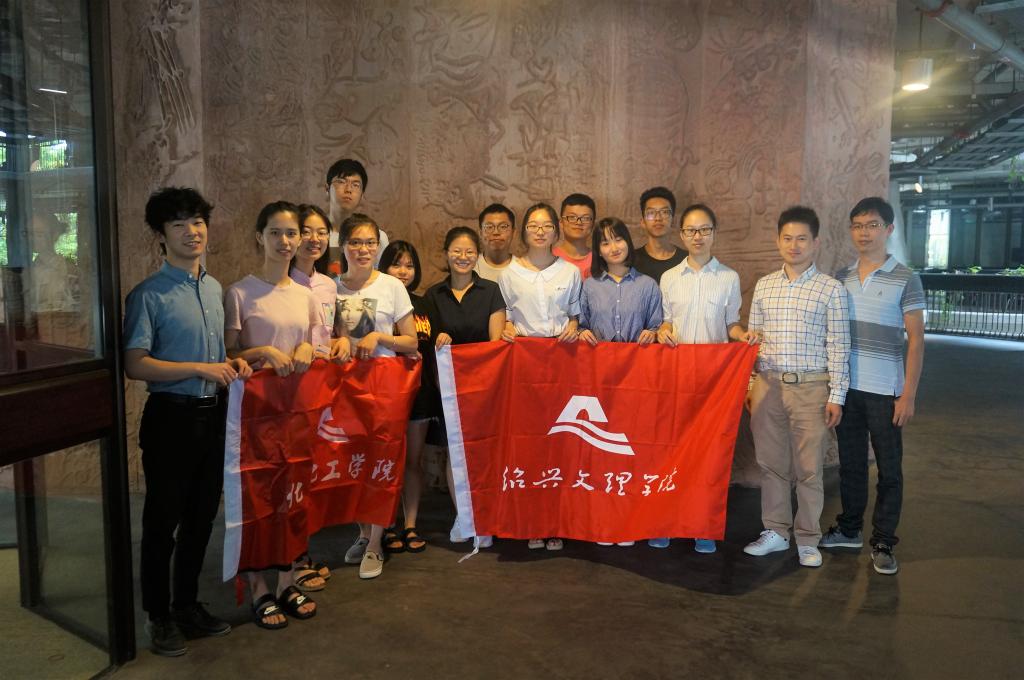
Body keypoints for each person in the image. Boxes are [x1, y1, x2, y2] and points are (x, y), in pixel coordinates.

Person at [124, 187, 252, 655]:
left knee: (201, 519)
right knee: (163, 523)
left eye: (197, 221)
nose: (191, 231)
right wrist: (200, 369)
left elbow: (216, 357)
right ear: (161, 236)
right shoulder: (148, 295)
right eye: (178, 224)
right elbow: (135, 364)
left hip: (212, 417)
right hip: (171, 419)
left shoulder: (214, 288)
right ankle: (158, 616)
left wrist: (230, 365)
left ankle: (187, 605)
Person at [224, 201, 322, 628]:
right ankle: (259, 588)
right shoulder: (240, 292)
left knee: (292, 494)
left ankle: (286, 580)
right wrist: (263, 351)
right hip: (253, 417)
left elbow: (316, 344)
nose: (285, 241)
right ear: (259, 237)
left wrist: (307, 348)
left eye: (292, 233)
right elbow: (228, 352)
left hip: (295, 412)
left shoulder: (306, 295)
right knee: (257, 497)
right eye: (276, 233)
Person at [819, 197, 925, 576]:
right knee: (850, 465)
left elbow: (916, 340)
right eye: (858, 225)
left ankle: (882, 542)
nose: (865, 232)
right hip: (847, 389)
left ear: (889, 229)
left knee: (889, 470)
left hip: (886, 392)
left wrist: (908, 394)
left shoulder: (906, 278)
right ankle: (849, 530)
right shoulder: (840, 277)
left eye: (873, 225)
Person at [743, 206, 850, 569]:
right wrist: (750, 385)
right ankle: (775, 531)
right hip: (768, 385)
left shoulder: (831, 289)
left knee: (809, 468)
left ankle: (807, 538)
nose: (794, 245)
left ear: (815, 243)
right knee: (771, 464)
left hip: (812, 387)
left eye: (802, 238)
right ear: (778, 241)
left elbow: (839, 346)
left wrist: (837, 395)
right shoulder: (765, 285)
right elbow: (753, 341)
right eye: (787, 238)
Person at [654, 203, 758, 553]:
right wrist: (664, 331)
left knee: (710, 455)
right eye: (691, 230)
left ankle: (702, 526)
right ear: (682, 235)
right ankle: (667, 522)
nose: (697, 236)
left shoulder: (728, 277)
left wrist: (743, 336)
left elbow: (731, 324)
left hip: (715, 382)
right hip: (677, 378)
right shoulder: (669, 278)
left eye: (704, 230)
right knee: (672, 451)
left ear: (714, 233)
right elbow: (666, 322)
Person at [334, 213, 419, 579]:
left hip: (385, 387)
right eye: (355, 242)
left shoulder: (391, 286)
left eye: (370, 242)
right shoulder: (331, 287)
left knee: (382, 459)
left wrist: (379, 337)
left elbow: (411, 341)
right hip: (345, 387)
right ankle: (363, 532)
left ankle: (375, 544)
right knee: (352, 461)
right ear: (343, 246)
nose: (363, 249)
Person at [499, 202, 582, 552]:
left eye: (546, 225)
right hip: (525, 363)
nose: (540, 231)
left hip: (562, 362)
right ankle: (533, 521)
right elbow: (505, 316)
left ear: (556, 231)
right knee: (530, 444)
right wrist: (506, 327)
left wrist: (574, 325)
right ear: (524, 231)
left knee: (561, 443)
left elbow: (576, 314)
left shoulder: (570, 272)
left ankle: (556, 522)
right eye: (533, 225)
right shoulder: (509, 273)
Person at [577, 217, 661, 548]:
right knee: (600, 451)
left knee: (630, 450)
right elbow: (581, 323)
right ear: (598, 250)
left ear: (628, 241)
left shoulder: (648, 285)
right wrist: (582, 331)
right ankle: (603, 520)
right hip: (599, 380)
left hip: (636, 379)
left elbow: (658, 324)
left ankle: (628, 522)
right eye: (605, 242)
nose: (613, 247)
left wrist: (652, 333)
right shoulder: (589, 285)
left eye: (618, 239)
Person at [426, 226, 506, 547]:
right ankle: (464, 517)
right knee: (455, 453)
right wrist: (438, 338)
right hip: (448, 390)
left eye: (469, 251)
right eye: (457, 251)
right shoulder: (434, 295)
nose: (463, 256)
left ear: (477, 255)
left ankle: (486, 517)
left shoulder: (491, 291)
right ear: (446, 254)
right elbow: (427, 339)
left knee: (484, 453)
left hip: (485, 389)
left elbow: (496, 345)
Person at [287, 204, 339, 590]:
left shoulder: (329, 285)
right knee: (289, 476)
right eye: (306, 231)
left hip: (320, 389)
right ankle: (289, 558)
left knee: (310, 473)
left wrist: (339, 343)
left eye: (322, 232)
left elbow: (328, 332)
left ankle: (300, 551)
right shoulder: (279, 282)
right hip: (286, 391)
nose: (314, 239)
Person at [378, 240, 436, 555]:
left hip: (420, 391)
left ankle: (410, 524)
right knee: (386, 460)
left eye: (409, 265)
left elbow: (432, 343)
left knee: (413, 461)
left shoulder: (423, 304)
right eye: (396, 264)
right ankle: (385, 524)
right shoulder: (376, 300)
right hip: (384, 392)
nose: (403, 271)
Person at [324, 158, 389, 273]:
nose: (348, 189)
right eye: (341, 182)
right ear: (327, 189)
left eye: (355, 185)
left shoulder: (376, 238)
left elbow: (382, 278)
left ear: (362, 195)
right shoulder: (315, 235)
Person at [632, 186, 686, 284]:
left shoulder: (686, 261)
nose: (658, 218)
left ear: (673, 221)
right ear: (643, 222)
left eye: (665, 212)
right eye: (651, 213)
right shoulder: (631, 261)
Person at [552, 193, 596, 279]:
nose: (578, 222)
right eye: (572, 217)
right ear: (561, 223)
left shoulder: (600, 261)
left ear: (593, 225)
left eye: (585, 218)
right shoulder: (549, 259)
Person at [474, 203, 515, 282]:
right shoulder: (470, 267)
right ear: (480, 233)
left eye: (503, 227)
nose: (496, 232)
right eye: (489, 227)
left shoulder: (524, 269)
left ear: (513, 232)